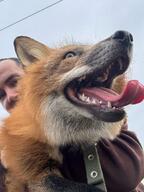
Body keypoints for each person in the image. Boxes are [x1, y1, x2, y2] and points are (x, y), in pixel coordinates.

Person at [0, 58, 143, 192]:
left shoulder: (89, 109)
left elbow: (125, 175)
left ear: (35, 75)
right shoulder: (7, 146)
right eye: (1, 94)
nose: (10, 96)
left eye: (15, 81)